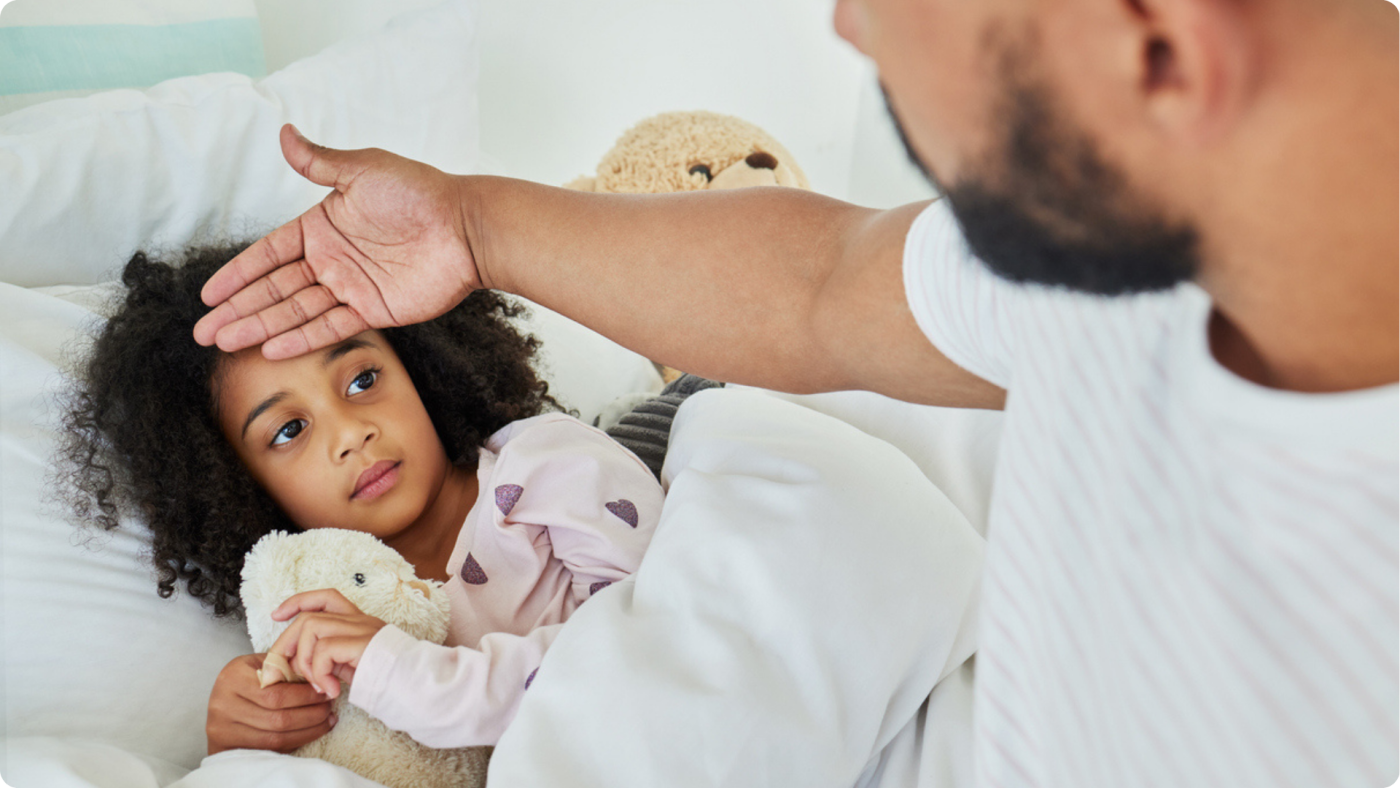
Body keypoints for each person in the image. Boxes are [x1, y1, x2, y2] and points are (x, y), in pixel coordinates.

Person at [192, 0, 1400, 785]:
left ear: (1154, 45)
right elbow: (825, 280)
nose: (848, 24)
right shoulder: (1107, 257)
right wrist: (470, 220)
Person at [60, 244, 665, 753]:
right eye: (290, 431)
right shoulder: (315, 617)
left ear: (417, 362)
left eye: (362, 379)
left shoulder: (548, 467)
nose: (353, 434)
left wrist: (400, 671)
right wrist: (240, 738)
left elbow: (650, 653)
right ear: (238, 485)